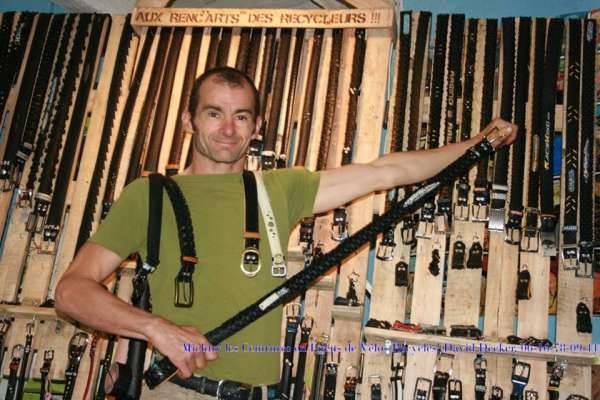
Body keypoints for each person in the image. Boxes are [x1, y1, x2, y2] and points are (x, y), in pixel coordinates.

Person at [55, 66, 516, 399]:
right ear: (188, 120)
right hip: (177, 391)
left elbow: (386, 171)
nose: (228, 129)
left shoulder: (280, 189)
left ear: (257, 127)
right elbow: (71, 291)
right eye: (214, 113)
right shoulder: (149, 196)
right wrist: (156, 329)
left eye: (241, 116)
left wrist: (479, 144)